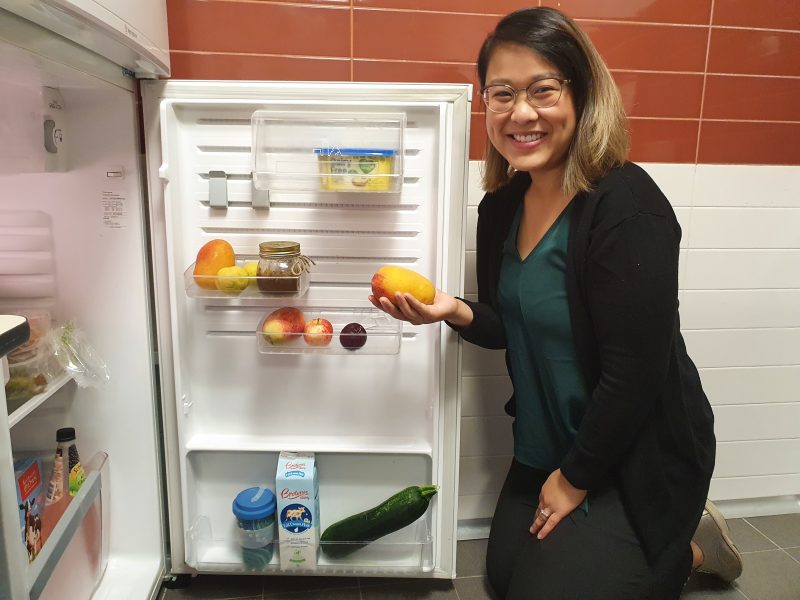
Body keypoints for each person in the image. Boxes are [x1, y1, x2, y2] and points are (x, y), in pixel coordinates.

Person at [369, 7, 743, 600]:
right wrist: (454, 310)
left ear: (583, 93)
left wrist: (572, 482)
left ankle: (689, 547)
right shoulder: (502, 206)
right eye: (502, 93)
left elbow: (634, 376)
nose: (521, 112)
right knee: (505, 578)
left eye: (543, 89)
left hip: (633, 457)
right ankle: (674, 552)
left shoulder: (626, 208)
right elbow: (511, 323)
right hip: (548, 447)